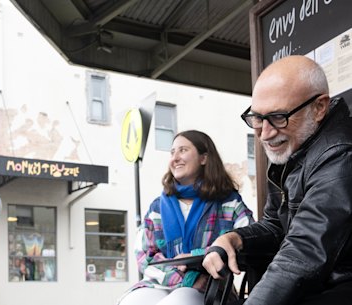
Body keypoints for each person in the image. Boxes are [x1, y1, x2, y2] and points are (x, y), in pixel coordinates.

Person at [202, 55, 352, 304]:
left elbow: (303, 254)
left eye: (279, 116)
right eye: (257, 118)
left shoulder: (340, 154)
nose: (265, 133)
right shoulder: (294, 147)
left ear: (319, 108)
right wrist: (234, 238)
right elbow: (276, 225)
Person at [118, 130, 254, 305]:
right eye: (172, 152)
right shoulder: (158, 207)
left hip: (210, 286)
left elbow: (249, 241)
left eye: (182, 150)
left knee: (179, 302)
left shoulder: (229, 203)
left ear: (204, 158)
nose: (175, 158)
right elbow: (144, 256)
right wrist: (183, 279)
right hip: (160, 284)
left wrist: (198, 256)